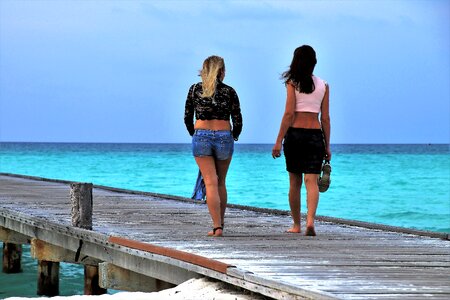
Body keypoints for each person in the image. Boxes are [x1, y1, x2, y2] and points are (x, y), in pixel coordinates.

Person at [272, 45, 331, 236]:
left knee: (294, 182)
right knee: (311, 181)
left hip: (295, 136)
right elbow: (325, 118)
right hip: (315, 136)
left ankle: (296, 224)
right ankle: (311, 222)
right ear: (314, 62)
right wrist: (328, 145)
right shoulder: (323, 84)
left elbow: (289, 114)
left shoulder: (292, 83)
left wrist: (278, 140)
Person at [184, 55, 243, 237]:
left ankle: (216, 226)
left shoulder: (195, 89)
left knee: (210, 182)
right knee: (221, 182)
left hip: (201, 136)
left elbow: (187, 116)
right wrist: (235, 135)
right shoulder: (230, 91)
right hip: (224, 135)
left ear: (204, 71)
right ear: (222, 72)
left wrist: (194, 133)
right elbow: (237, 118)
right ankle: (221, 224)